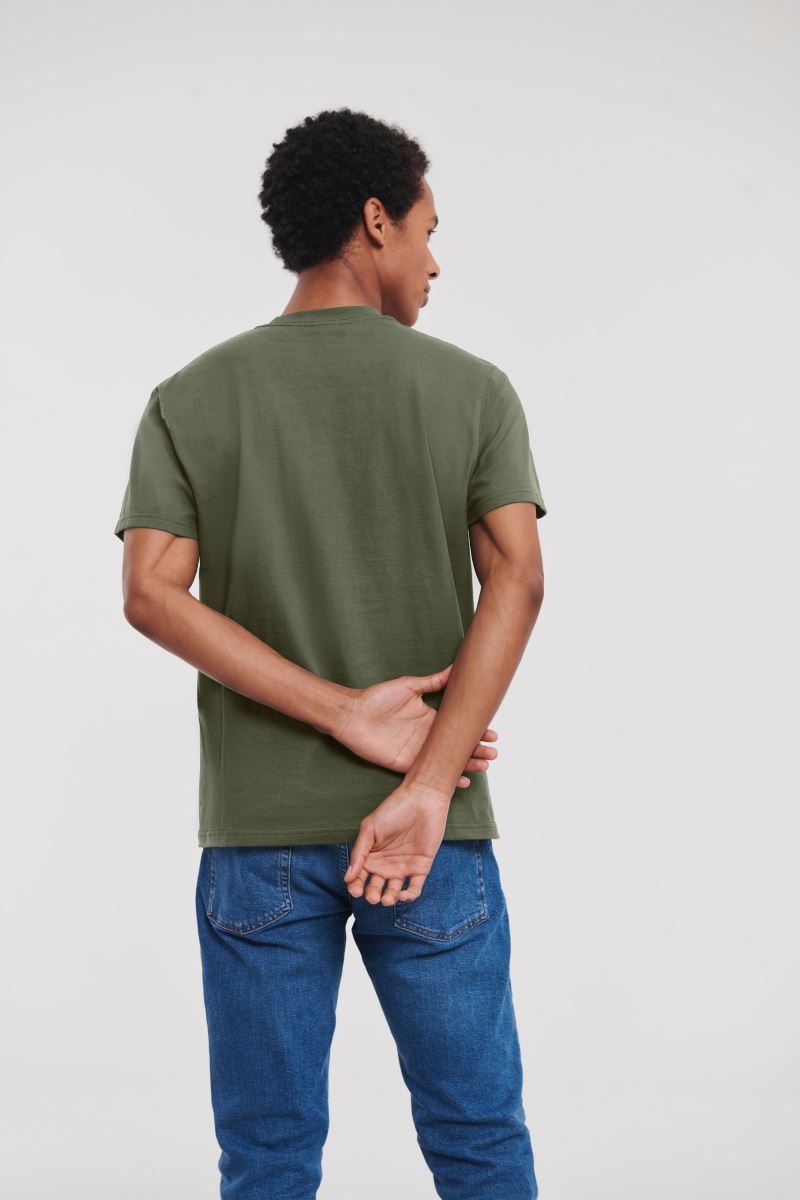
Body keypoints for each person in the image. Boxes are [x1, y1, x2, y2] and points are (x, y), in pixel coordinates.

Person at [113, 106, 547, 1200]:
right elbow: (519, 579)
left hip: (257, 836)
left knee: (266, 1155)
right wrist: (429, 777)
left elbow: (151, 594)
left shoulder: (190, 396)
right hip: (430, 833)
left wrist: (337, 710)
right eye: (428, 231)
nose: (434, 262)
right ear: (374, 220)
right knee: (479, 1140)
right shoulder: (471, 389)